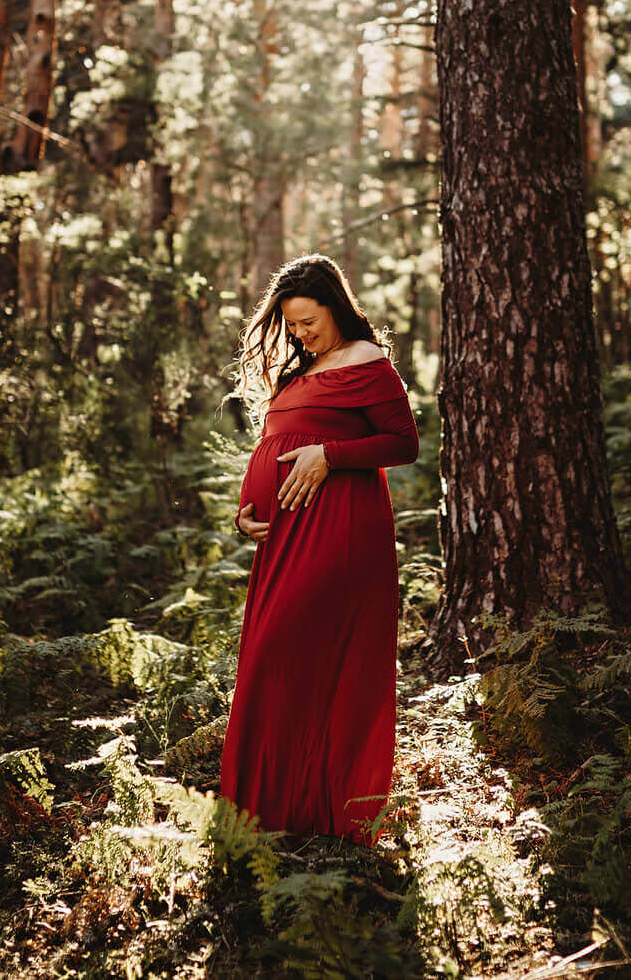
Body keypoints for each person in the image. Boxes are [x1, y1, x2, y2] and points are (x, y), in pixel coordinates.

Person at [219, 253, 419, 846]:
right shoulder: (302, 370)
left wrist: (329, 456)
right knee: (271, 659)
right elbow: (277, 441)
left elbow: (403, 444)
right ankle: (272, 816)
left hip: (337, 530)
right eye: (292, 325)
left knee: (286, 654)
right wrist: (247, 510)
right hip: (282, 538)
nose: (300, 334)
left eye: (308, 321)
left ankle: (313, 808)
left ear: (334, 306)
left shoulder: (367, 363)